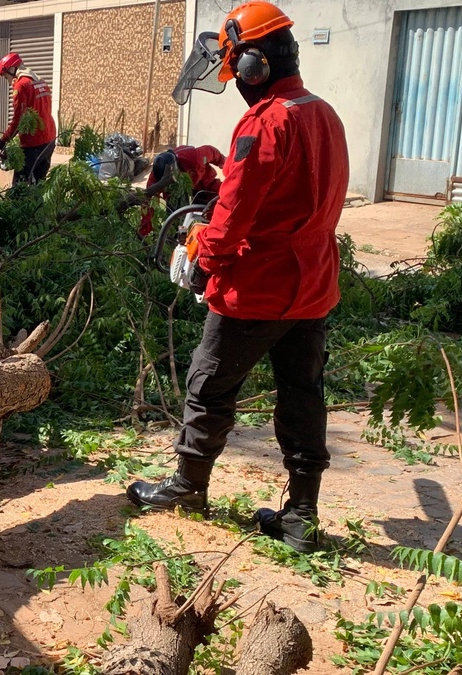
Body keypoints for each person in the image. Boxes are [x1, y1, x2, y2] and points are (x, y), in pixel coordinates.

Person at [126, 1, 349, 554]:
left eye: (236, 73)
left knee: (209, 386)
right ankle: (301, 516)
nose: (238, 85)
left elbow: (234, 213)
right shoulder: (323, 113)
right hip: (313, 283)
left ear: (253, 66)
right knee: (303, 395)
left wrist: (205, 259)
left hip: (258, 286)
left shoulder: (265, 120)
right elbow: (293, 188)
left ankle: (186, 487)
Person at [0, 53, 57, 186]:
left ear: (11, 69)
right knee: (39, 183)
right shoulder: (41, 81)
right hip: (49, 139)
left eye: (5, 76)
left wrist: (3, 140)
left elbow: (18, 120)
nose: (8, 81)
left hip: (33, 142)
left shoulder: (22, 85)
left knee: (20, 186)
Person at [139, 144, 226, 236]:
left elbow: (213, 153)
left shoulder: (194, 157)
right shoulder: (155, 178)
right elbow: (147, 202)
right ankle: (175, 238)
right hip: (176, 194)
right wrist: (145, 231)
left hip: (204, 183)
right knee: (175, 217)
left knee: (220, 206)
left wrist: (225, 164)